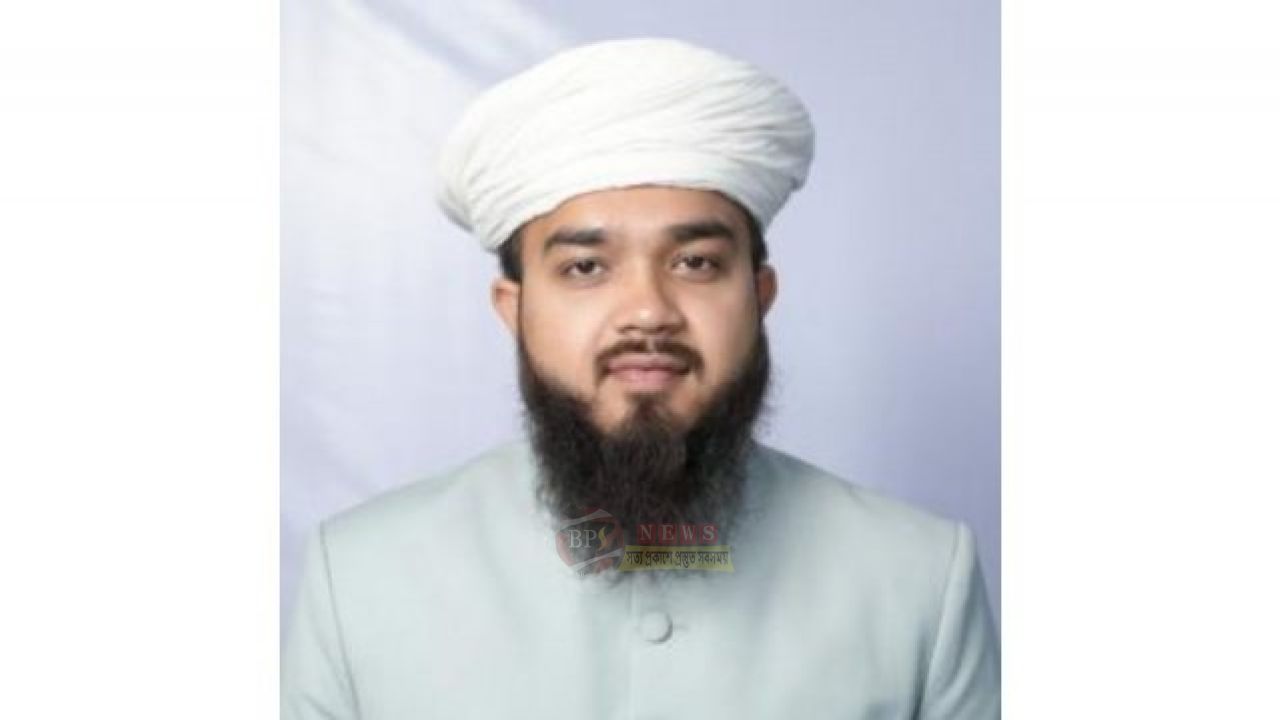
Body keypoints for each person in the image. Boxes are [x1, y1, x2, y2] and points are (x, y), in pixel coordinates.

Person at [282, 37, 999, 719]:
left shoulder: (919, 578)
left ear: (760, 296)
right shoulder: (361, 577)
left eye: (696, 263)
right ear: (513, 309)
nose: (649, 311)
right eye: (585, 268)